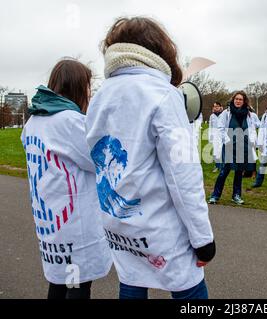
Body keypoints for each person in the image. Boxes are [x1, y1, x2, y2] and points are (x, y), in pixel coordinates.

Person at [85, 17, 215, 299]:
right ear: (159, 50)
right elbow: (184, 175)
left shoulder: (99, 96)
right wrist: (203, 238)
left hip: (118, 224)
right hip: (162, 230)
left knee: (132, 282)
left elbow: (94, 159)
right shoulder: (163, 94)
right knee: (189, 292)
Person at [21, 59, 112, 299]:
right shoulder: (70, 122)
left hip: (50, 221)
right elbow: (101, 160)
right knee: (77, 286)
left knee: (60, 282)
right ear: (78, 88)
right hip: (74, 224)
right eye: (88, 87)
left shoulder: (33, 122)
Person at [208, 91, 259, 205]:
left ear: (244, 101)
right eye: (236, 99)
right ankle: (215, 195)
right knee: (224, 171)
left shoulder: (249, 114)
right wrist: (227, 141)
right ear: (233, 100)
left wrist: (252, 142)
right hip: (229, 145)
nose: (238, 101)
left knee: (239, 172)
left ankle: (236, 195)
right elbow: (220, 128)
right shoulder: (226, 113)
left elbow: (251, 129)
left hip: (243, 145)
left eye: (240, 99)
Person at [209, 102, 223, 172]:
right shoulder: (212, 116)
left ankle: (221, 166)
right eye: (215, 106)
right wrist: (210, 137)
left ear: (220, 107)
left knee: (221, 151)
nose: (216, 107)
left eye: (217, 106)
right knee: (215, 151)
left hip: (221, 135)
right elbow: (210, 127)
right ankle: (217, 166)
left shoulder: (223, 115)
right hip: (215, 135)